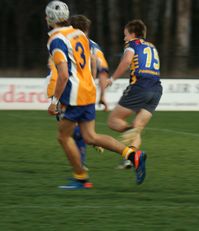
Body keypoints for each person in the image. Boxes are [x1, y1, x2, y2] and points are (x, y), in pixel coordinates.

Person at [45, 0, 147, 189]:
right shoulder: (79, 34)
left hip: (75, 95)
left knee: (63, 137)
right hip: (88, 91)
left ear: (48, 19)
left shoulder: (56, 40)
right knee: (90, 136)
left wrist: (54, 101)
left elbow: (64, 74)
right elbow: (92, 63)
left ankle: (81, 178)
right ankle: (133, 155)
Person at [107, 20, 162, 168]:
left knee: (113, 121)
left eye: (125, 35)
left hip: (140, 86)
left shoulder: (132, 44)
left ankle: (131, 135)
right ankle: (132, 157)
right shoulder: (152, 46)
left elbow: (126, 62)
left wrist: (112, 79)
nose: (124, 38)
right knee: (137, 126)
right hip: (156, 89)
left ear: (132, 34)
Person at [69, 15, 110, 112]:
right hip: (89, 91)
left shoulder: (66, 42)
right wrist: (102, 96)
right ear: (87, 29)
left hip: (71, 89)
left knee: (67, 124)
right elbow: (103, 70)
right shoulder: (94, 47)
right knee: (86, 125)